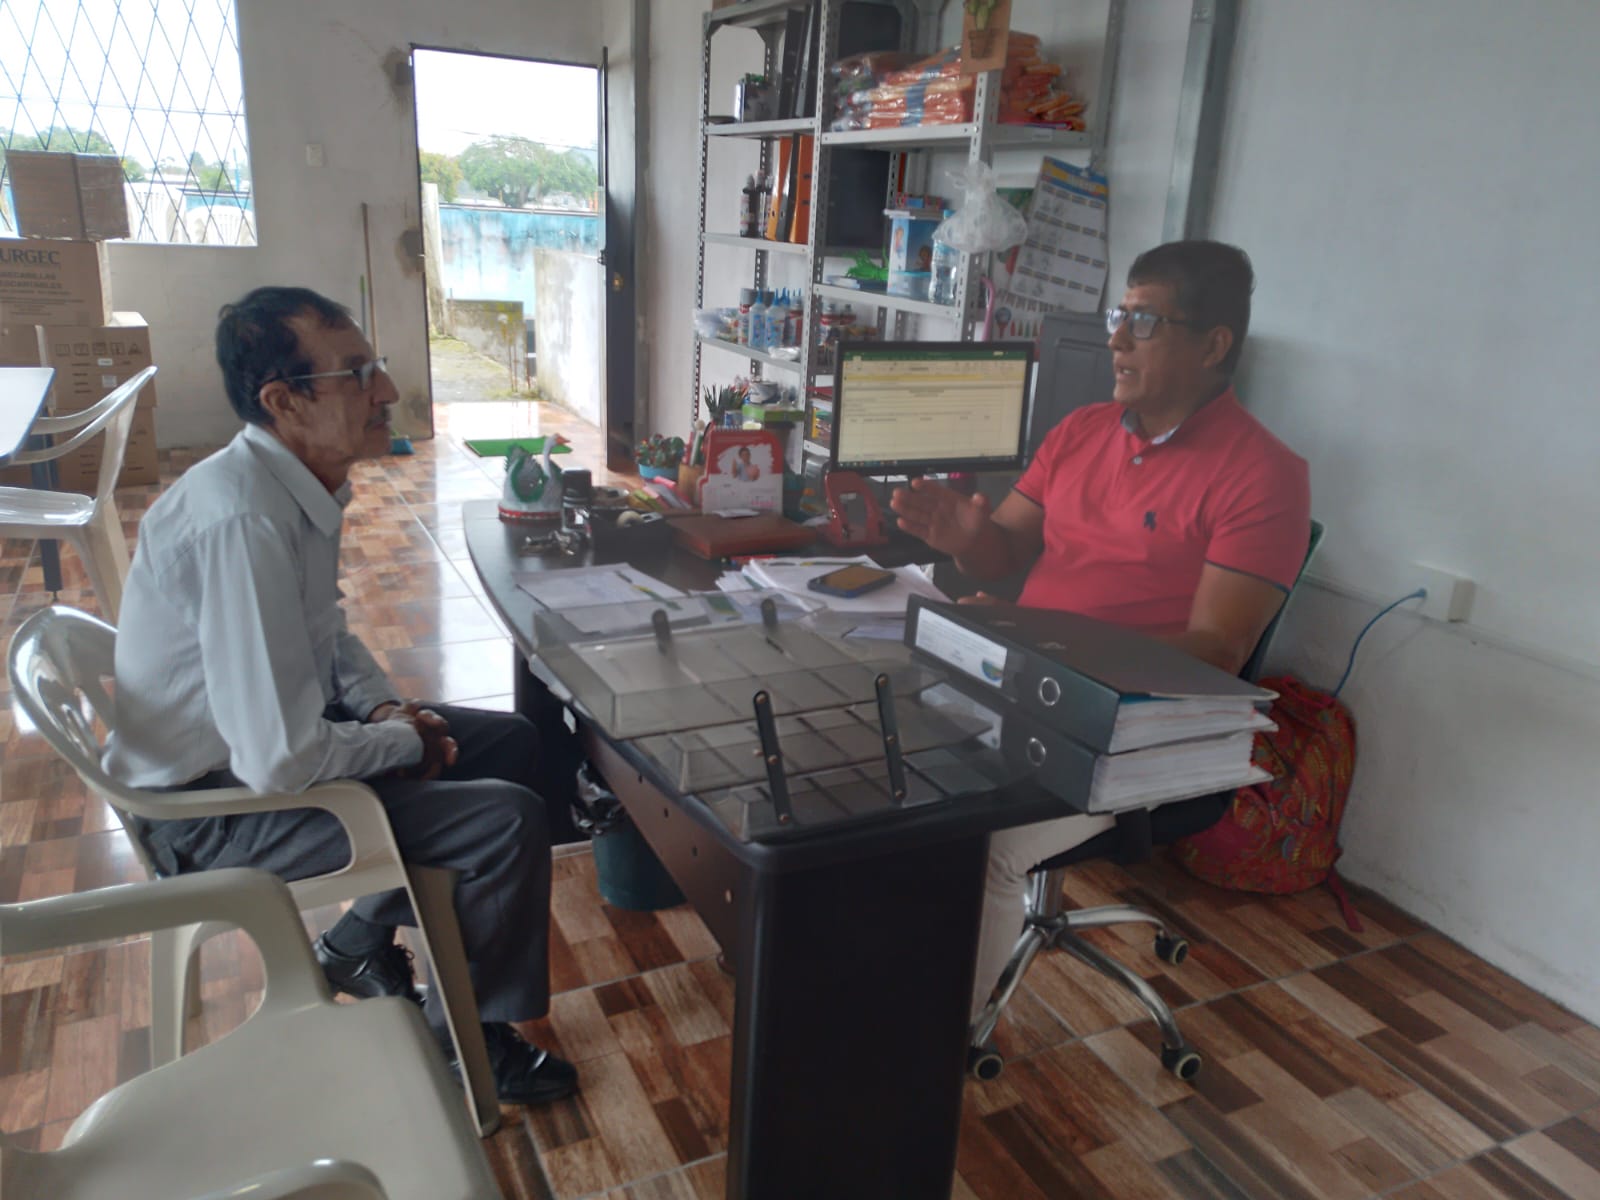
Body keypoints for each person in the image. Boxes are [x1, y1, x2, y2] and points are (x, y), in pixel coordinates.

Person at [103, 285, 577, 1105]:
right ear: (283, 402)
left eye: (374, 367)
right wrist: (401, 742)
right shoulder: (242, 522)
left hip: (246, 762)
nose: (385, 390)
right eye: (356, 374)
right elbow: (279, 758)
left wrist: (387, 712)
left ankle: (357, 942)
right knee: (503, 821)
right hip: (211, 815)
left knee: (513, 743)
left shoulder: (287, 487)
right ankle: (465, 1044)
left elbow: (327, 633)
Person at [890, 242, 1310, 1022]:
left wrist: (1035, 639)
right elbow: (1005, 554)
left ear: (1213, 345)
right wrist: (967, 539)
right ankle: (871, 972)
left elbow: (1215, 653)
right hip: (1023, 682)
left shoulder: (1263, 474)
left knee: (983, 844)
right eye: (1120, 316)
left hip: (1130, 728)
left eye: (1143, 322)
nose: (1116, 339)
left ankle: (935, 1044)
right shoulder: (1081, 431)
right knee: (883, 770)